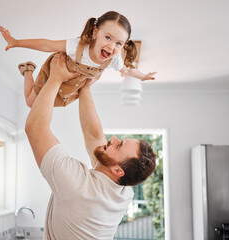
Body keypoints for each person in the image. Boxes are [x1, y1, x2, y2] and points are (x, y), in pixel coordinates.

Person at [25, 52, 156, 240]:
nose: (113, 139)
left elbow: (35, 128)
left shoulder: (78, 187)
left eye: (118, 147)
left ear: (118, 170)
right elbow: (94, 135)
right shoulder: (123, 190)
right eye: (121, 141)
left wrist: (56, 77)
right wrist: (85, 86)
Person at [0, 11, 156, 107]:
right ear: (95, 32)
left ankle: (29, 73)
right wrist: (16, 42)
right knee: (30, 103)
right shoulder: (78, 46)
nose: (111, 46)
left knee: (46, 105)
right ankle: (28, 71)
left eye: (118, 43)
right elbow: (47, 44)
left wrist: (143, 77)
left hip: (69, 88)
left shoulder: (113, 60)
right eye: (107, 37)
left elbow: (127, 69)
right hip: (52, 76)